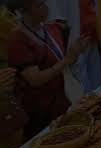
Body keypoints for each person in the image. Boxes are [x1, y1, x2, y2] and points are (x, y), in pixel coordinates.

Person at [7, 0, 90, 139]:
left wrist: (75, 51)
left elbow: (65, 61)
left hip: (62, 100)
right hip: (39, 109)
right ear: (24, 11)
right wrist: (66, 60)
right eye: (39, 5)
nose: (45, 8)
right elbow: (35, 79)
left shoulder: (52, 29)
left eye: (44, 3)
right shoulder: (17, 39)